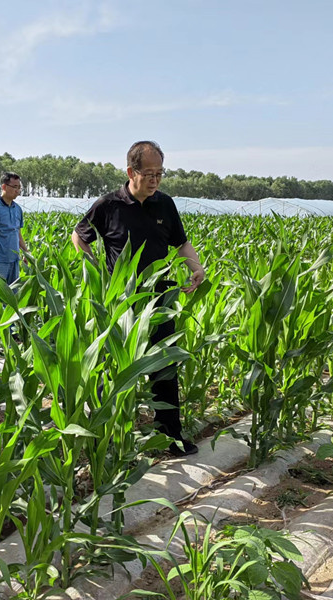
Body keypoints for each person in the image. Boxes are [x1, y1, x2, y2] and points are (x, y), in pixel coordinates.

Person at [72, 141, 205, 457]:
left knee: (165, 367)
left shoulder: (165, 204)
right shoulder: (108, 206)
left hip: (159, 299)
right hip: (123, 303)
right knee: (116, 368)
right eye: (149, 173)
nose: (156, 180)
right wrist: (94, 270)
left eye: (160, 173)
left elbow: (181, 244)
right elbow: (80, 236)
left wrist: (196, 267)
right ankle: (108, 436)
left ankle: (170, 436)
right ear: (131, 171)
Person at [0, 172, 29, 321]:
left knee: (11, 297)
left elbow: (18, 233)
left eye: (19, 188)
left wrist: (26, 252)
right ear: (4, 186)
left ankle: (9, 332)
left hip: (13, 260)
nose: (17, 191)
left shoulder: (17, 209)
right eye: (14, 187)